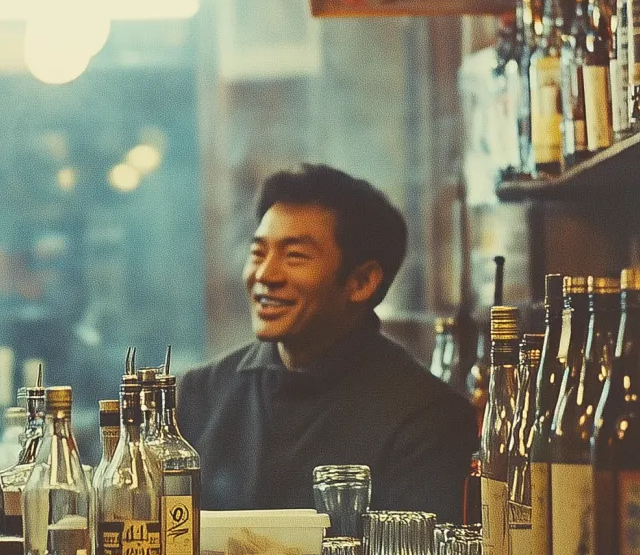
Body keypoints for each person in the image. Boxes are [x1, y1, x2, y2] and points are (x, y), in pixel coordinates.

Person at [178, 165, 475, 522]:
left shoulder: (425, 418)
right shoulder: (197, 397)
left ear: (362, 281)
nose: (265, 275)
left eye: (295, 256)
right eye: (258, 253)